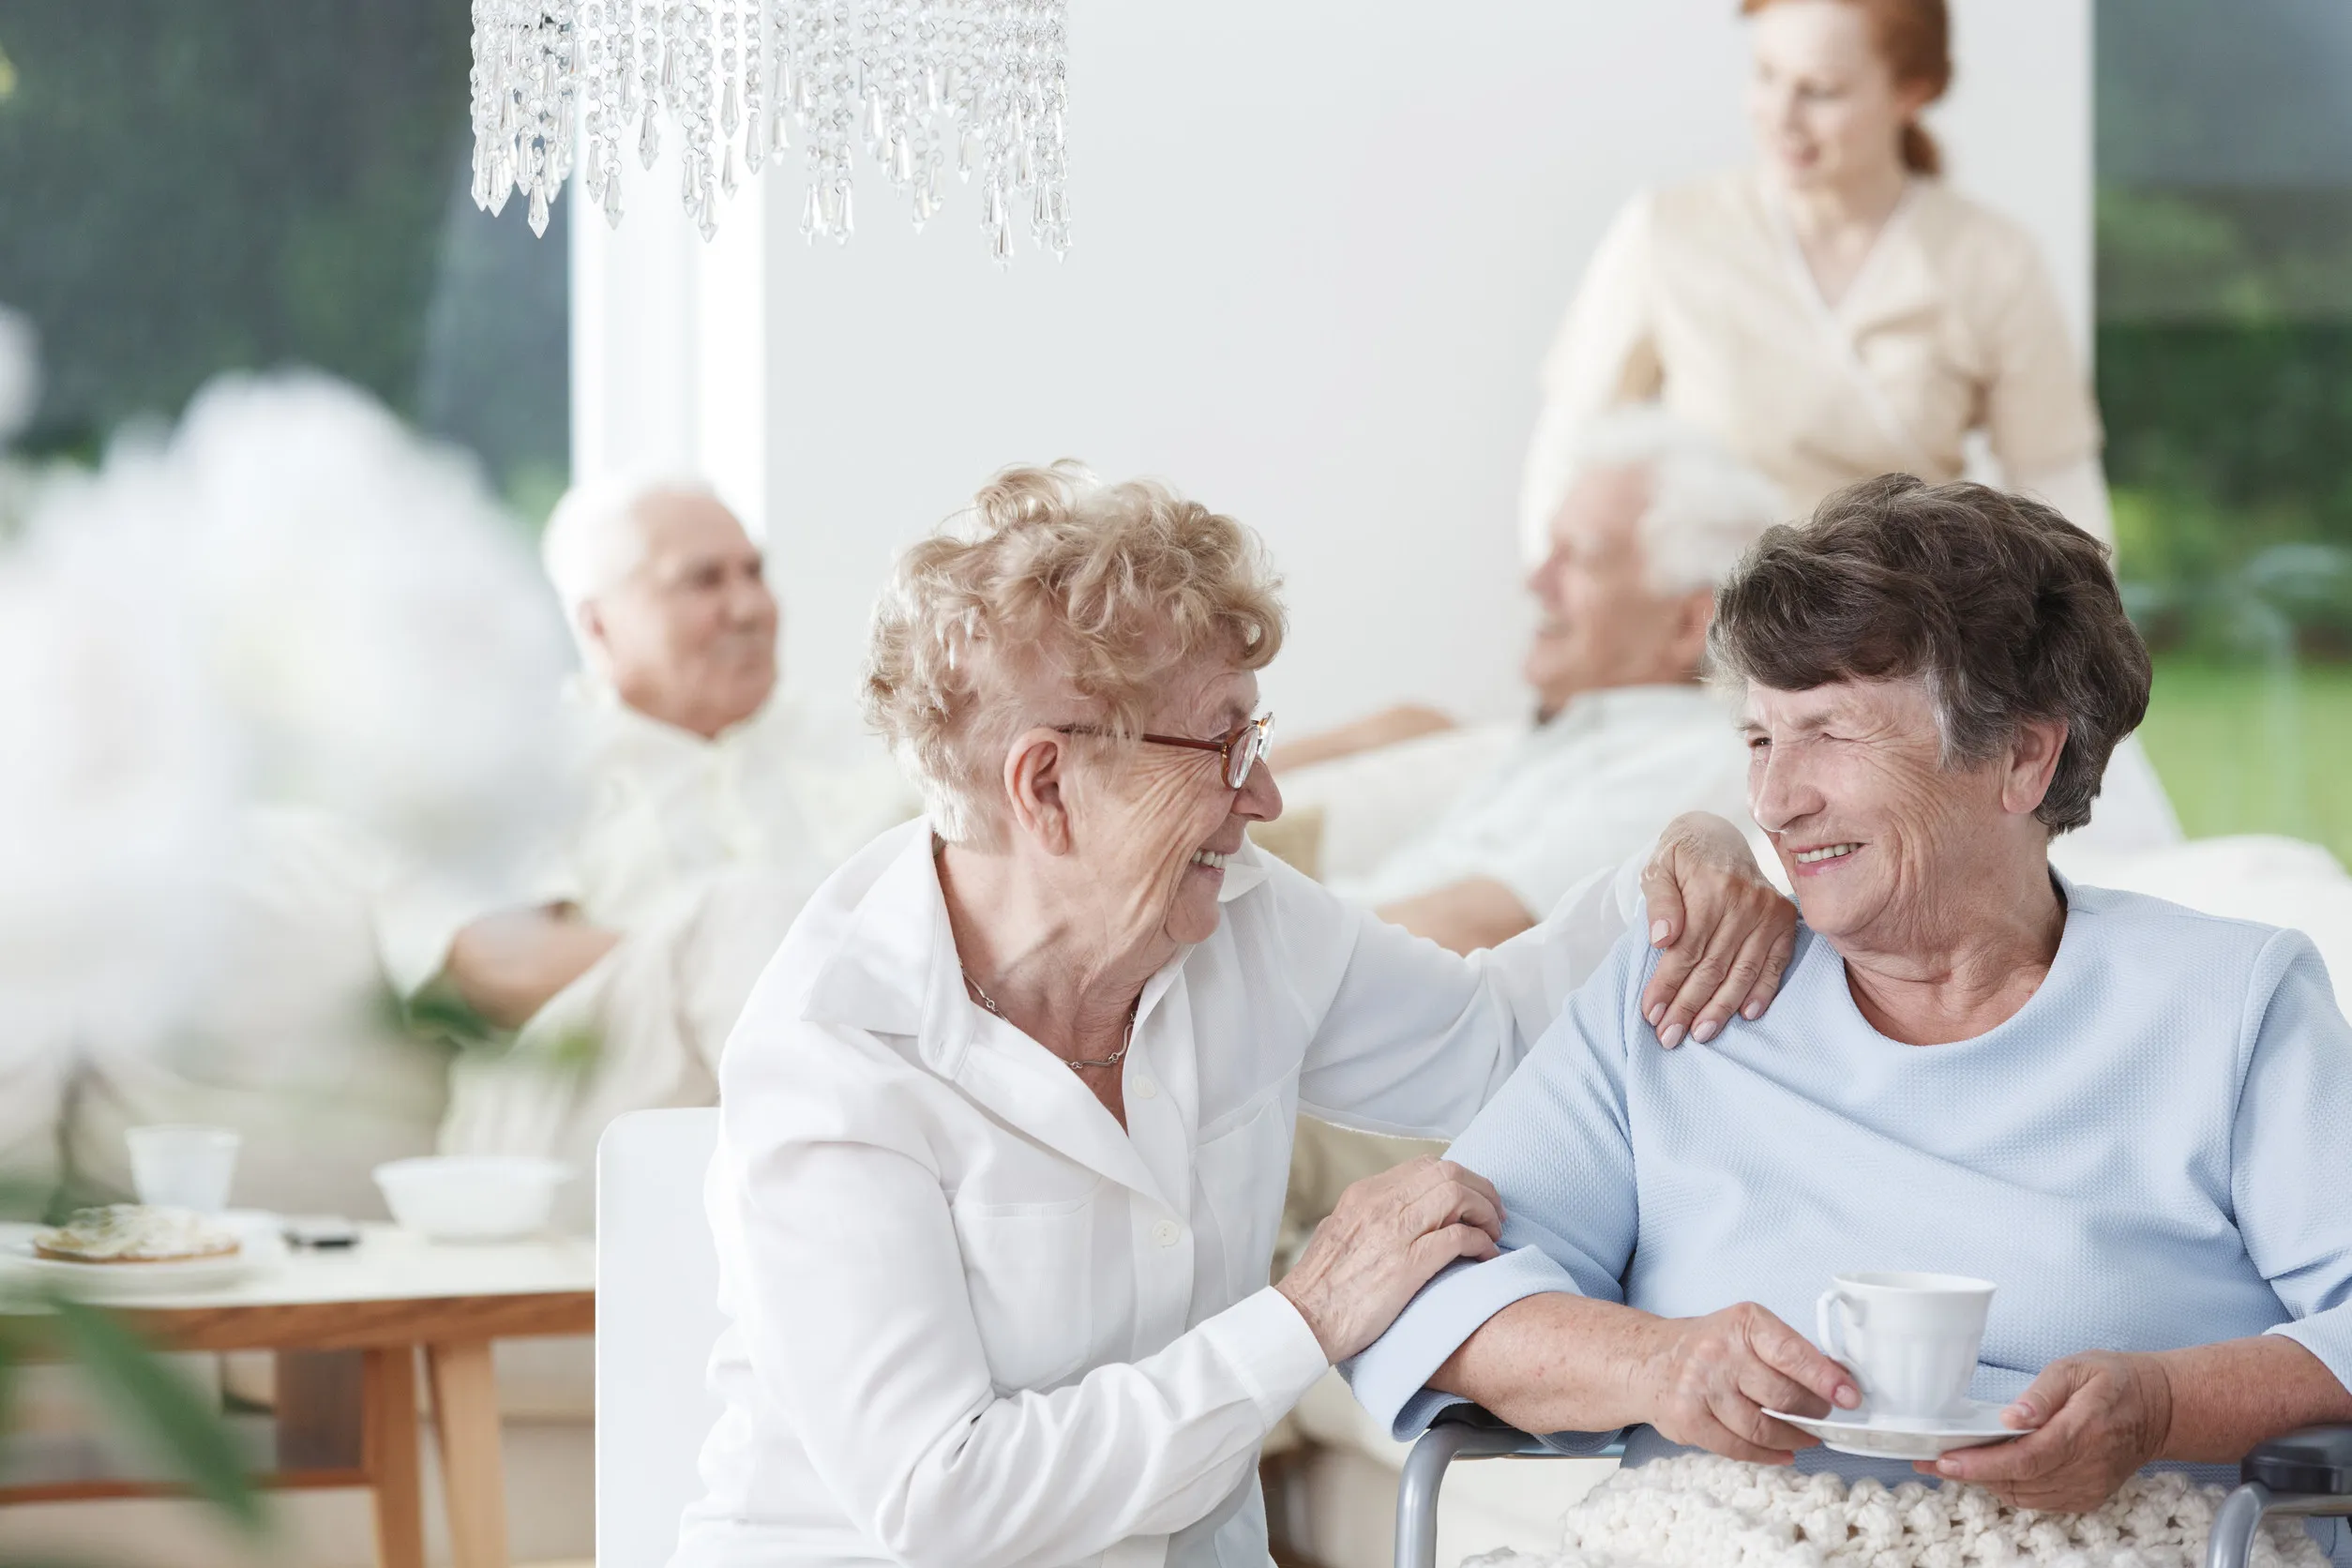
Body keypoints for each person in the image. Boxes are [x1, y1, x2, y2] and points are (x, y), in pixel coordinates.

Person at [670, 462, 1802, 1568]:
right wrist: (1309, 1311)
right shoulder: (833, 1056)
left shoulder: (1244, 921)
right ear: (1047, 786)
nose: (1262, 795)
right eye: (1221, 744)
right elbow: (947, 1499)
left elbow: (1496, 1041)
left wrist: (1688, 855)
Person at [1347, 477, 2352, 1560]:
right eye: (1760, 739)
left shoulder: (2230, 1003)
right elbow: (1434, 1295)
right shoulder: (1689, 988)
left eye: (1825, 734)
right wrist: (1659, 1365)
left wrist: (2160, 1405)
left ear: (2022, 755)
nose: (1776, 801)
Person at [1521, 0, 2109, 555]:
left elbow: (2059, 494)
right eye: (1766, 74)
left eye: (1820, 91)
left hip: (1900, 642)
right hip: (1707, 636)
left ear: (1912, 91)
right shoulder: (1669, 233)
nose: (1781, 115)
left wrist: (2083, 654)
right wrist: (1568, 618)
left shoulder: (1992, 261)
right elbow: (1570, 449)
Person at [437, 474, 914, 1031]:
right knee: (746, 916)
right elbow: (494, 961)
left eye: (754, 573)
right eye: (703, 581)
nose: (749, 608)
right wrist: (711, 960)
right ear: (597, 625)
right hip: (628, 1083)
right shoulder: (533, 764)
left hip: (863, 1068)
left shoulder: (870, 737)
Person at [1312, 414, 1782, 957]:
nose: (1536, 583)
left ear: (1685, 626)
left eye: (1580, 556)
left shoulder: (1695, 759)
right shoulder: (1568, 735)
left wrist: (1249, 950)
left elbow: (1481, 934)